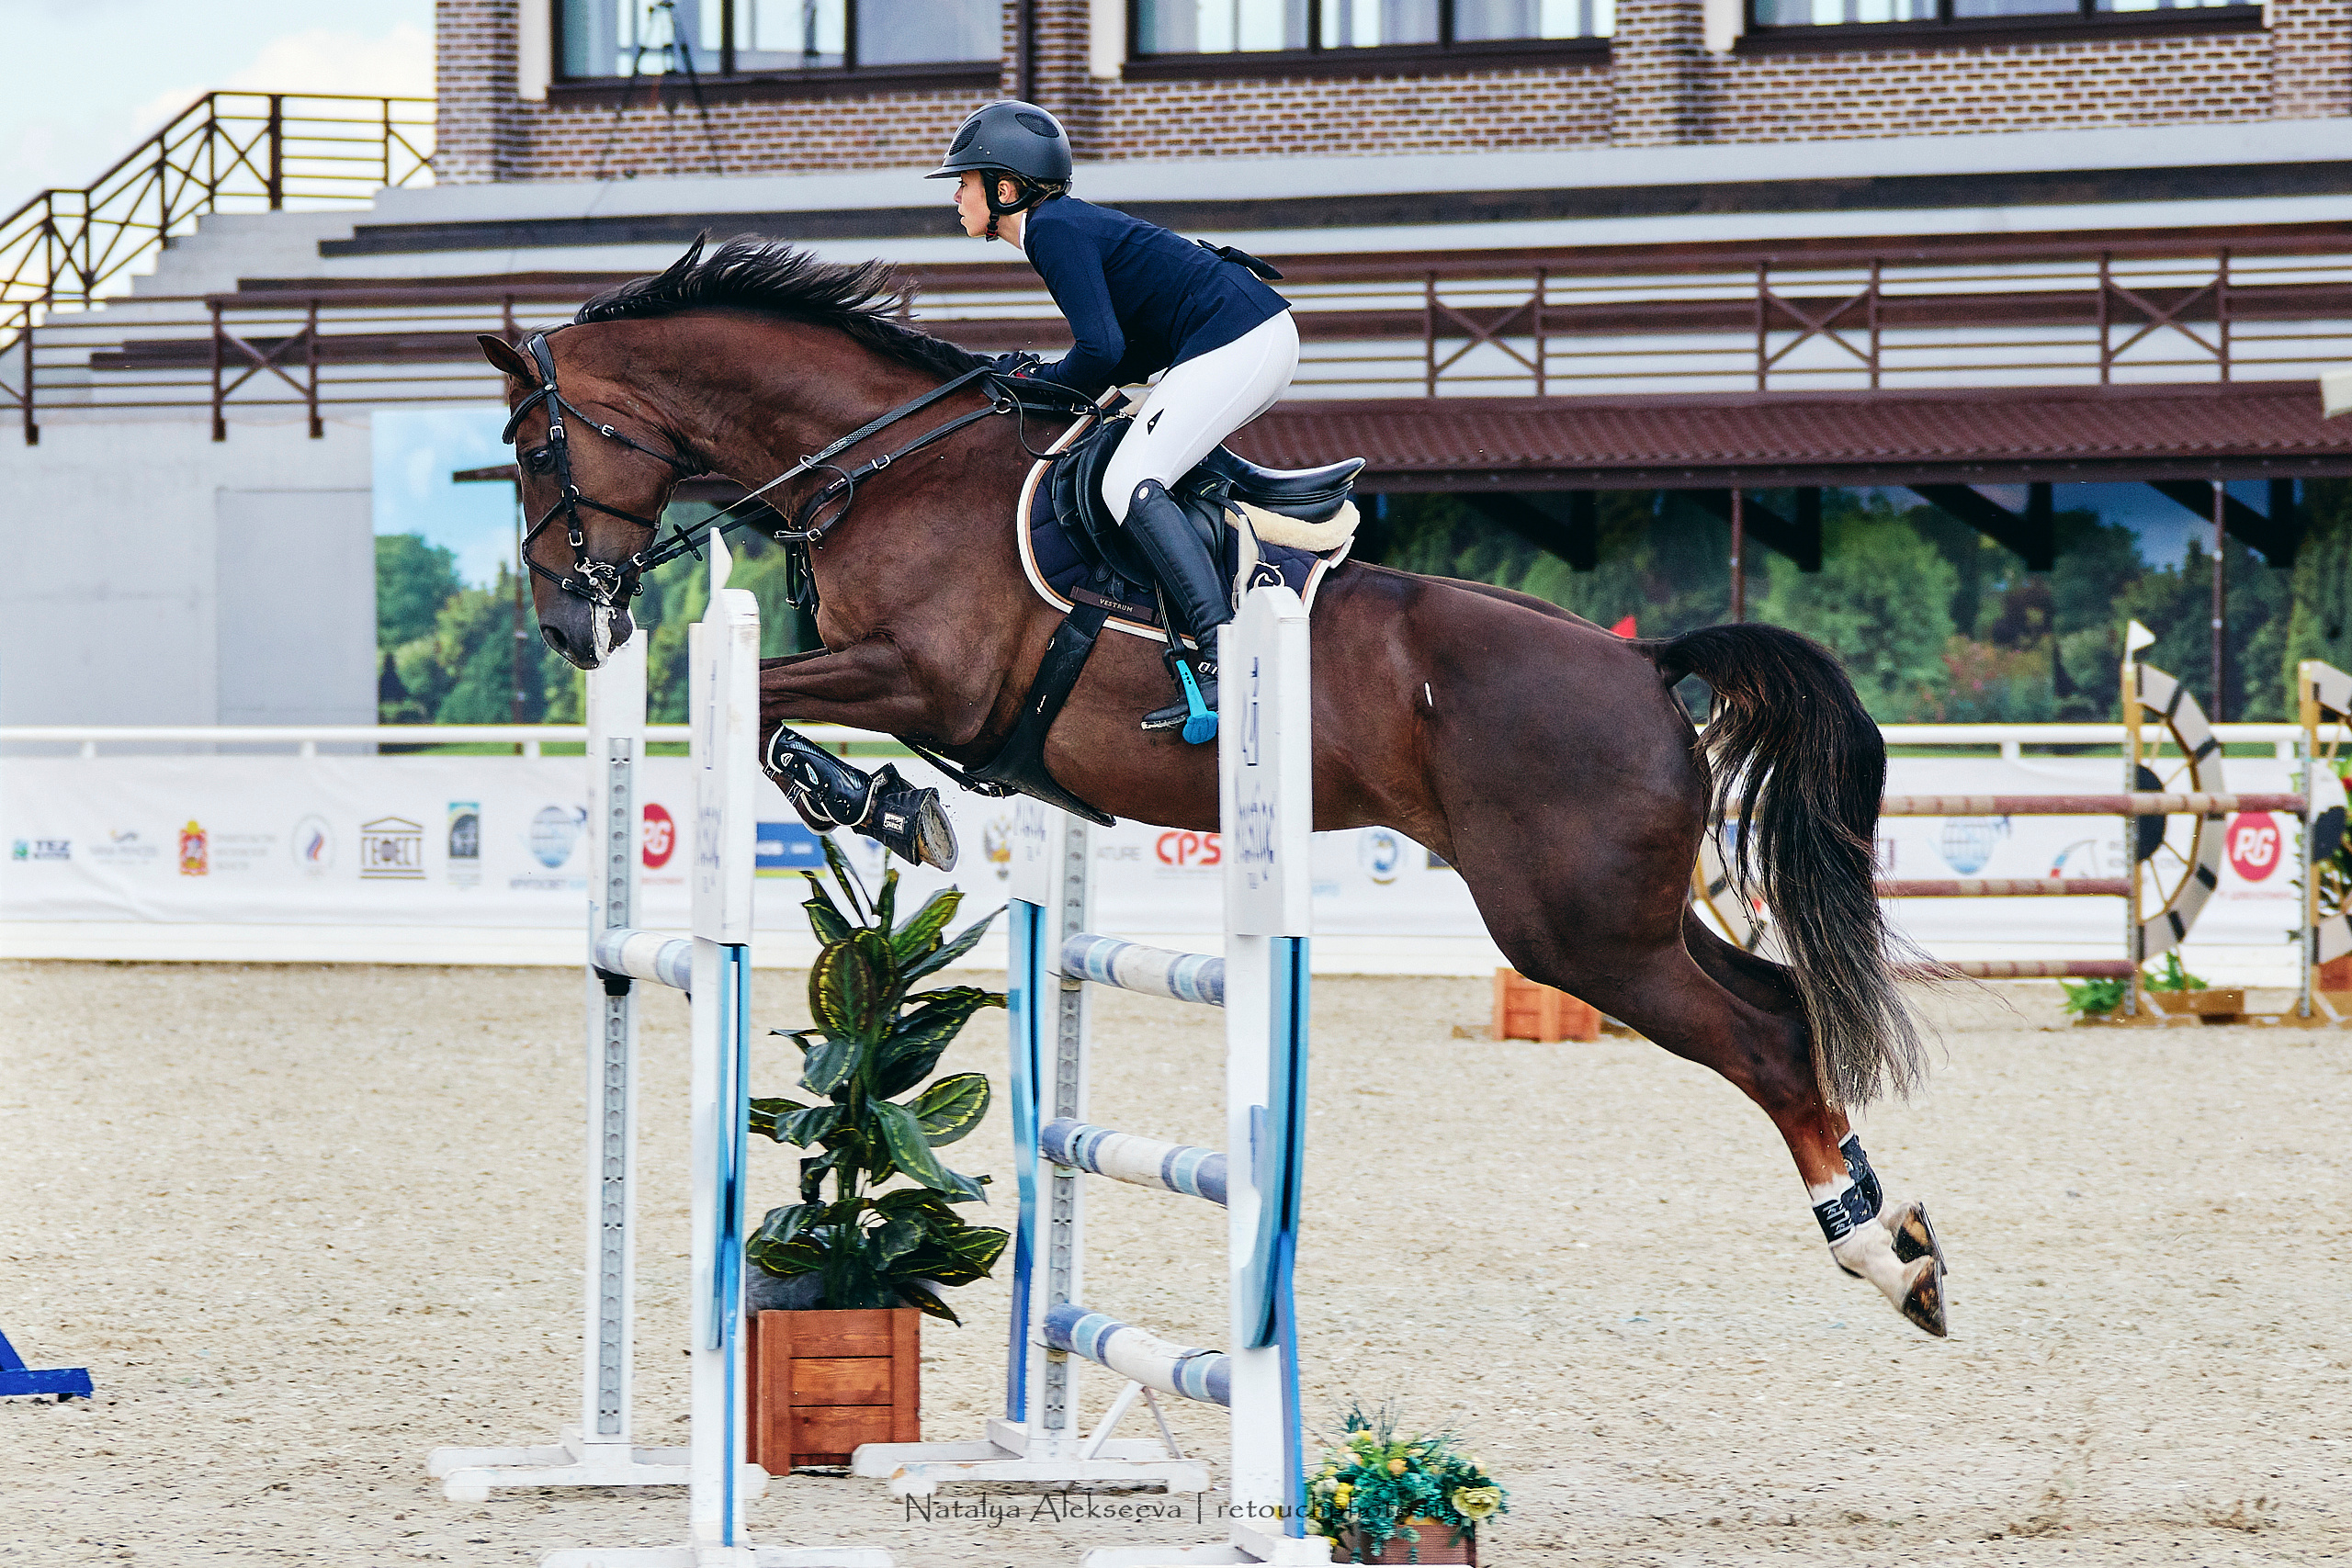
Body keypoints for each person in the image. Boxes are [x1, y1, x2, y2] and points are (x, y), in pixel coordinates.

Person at [929, 99, 1299, 738]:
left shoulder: (1052, 231)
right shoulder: (1061, 226)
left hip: (1242, 335)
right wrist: (1043, 381)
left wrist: (1040, 384)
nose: (956, 196)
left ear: (1006, 188)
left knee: (1126, 481)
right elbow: (1118, 352)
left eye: (965, 182)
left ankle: (1224, 653)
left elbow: (1101, 352)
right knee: (1134, 456)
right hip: (1245, 332)